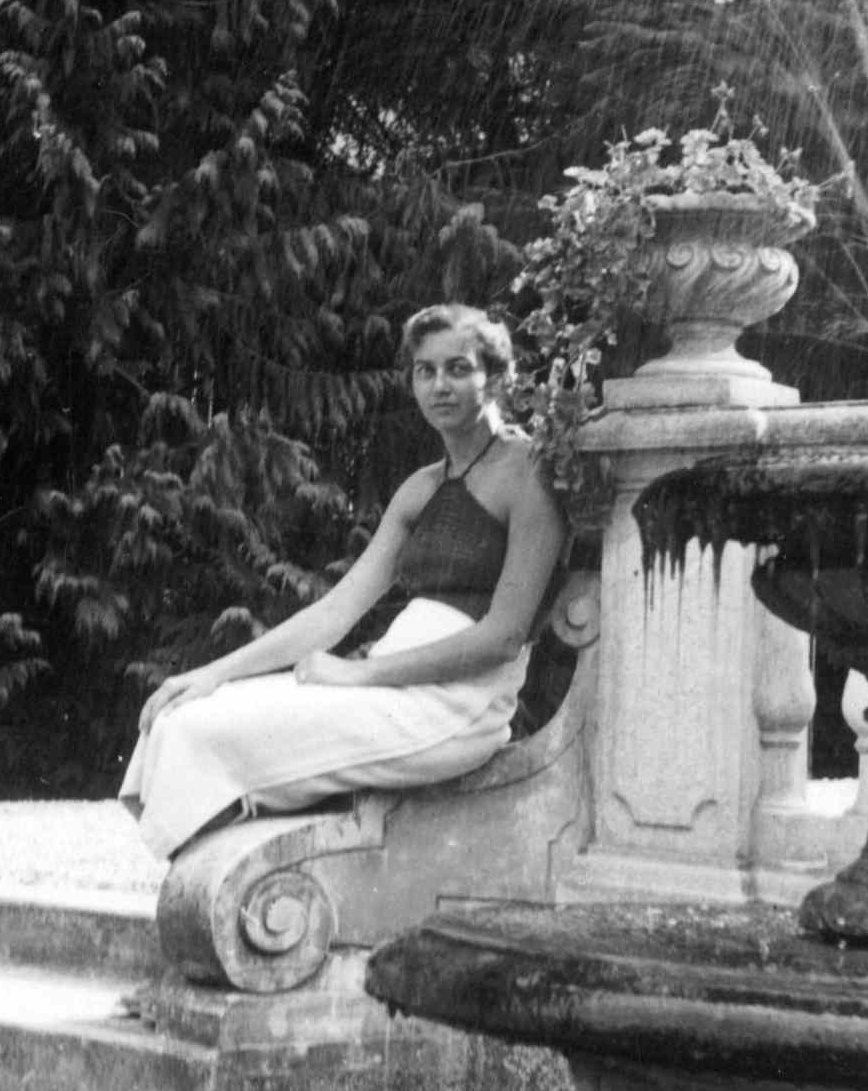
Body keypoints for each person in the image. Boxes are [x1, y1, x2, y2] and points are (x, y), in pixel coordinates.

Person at [120, 303, 570, 859]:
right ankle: (226, 879)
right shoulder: (421, 488)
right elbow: (335, 612)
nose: (439, 385)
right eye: (425, 371)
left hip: (458, 709)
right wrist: (211, 674)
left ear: (497, 378)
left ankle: (244, 883)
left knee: (202, 737)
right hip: (386, 689)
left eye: (458, 368)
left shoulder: (528, 473)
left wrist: (360, 677)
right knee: (182, 714)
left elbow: (501, 637)